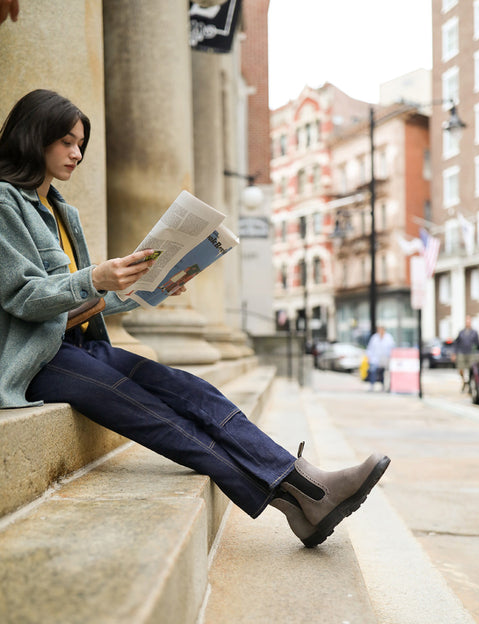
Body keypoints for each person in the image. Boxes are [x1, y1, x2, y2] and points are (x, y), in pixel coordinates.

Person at [0, 89, 390, 548]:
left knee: (190, 389)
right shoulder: (7, 202)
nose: (77, 153)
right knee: (154, 413)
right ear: (34, 136)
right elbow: (23, 297)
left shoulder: (63, 211)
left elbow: (83, 302)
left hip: (80, 344)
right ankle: (301, 497)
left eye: (80, 142)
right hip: (38, 359)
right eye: (66, 141)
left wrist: (151, 287)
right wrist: (96, 276)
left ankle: (302, 488)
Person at [452, 316, 479, 392]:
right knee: (460, 369)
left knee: (470, 370)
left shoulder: (474, 332)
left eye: (469, 321)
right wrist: (454, 353)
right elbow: (456, 343)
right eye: (466, 321)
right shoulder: (461, 332)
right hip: (461, 352)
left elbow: (478, 344)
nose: (468, 322)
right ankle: (464, 382)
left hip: (471, 353)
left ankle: (470, 386)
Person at [366, 326, 395, 391]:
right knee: (373, 372)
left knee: (382, 373)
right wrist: (369, 357)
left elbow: (392, 347)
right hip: (375, 358)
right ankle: (372, 386)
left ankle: (383, 386)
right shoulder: (374, 337)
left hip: (385, 358)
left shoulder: (388, 338)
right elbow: (370, 348)